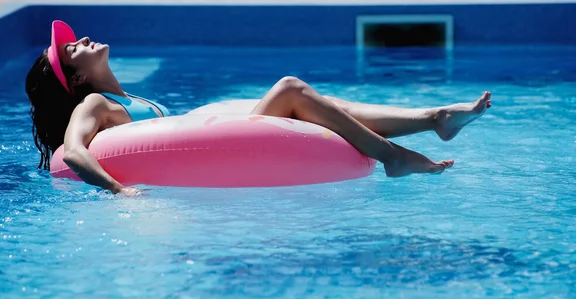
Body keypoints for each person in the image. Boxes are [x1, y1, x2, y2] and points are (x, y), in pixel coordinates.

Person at [26, 20, 492, 196]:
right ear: (79, 78)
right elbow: (74, 149)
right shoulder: (93, 102)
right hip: (172, 160)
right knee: (291, 88)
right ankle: (395, 153)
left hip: (211, 135)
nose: (81, 40)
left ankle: (434, 120)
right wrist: (117, 191)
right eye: (72, 50)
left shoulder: (131, 100)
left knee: (317, 103)